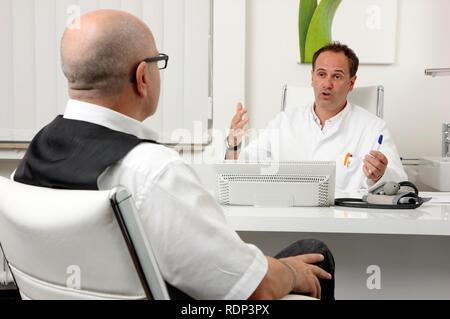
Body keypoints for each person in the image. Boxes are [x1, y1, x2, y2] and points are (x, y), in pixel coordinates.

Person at [13, 10, 335, 300]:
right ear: (142, 77)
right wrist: (291, 272)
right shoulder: (151, 171)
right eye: (158, 61)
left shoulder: (33, 158)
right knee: (314, 252)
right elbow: (253, 289)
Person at [225, 42, 408, 193]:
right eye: (321, 74)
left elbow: (399, 182)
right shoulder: (284, 122)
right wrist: (233, 144)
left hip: (347, 224)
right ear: (312, 78)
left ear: (351, 83)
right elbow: (242, 172)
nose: (327, 84)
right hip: (289, 218)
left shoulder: (373, 128)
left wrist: (380, 175)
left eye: (337, 76)